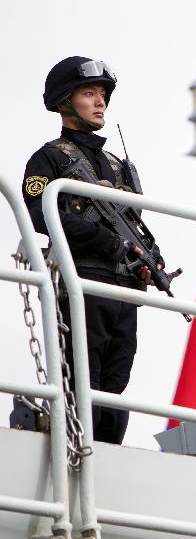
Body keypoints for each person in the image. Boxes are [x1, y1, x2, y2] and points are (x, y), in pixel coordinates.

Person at [14, 56, 154, 445]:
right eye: (89, 93)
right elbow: (40, 213)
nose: (100, 102)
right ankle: (80, 450)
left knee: (114, 389)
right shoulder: (49, 159)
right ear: (64, 101)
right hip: (82, 281)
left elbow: (135, 223)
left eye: (103, 95)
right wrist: (108, 241)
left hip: (122, 290)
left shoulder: (117, 165)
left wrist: (149, 257)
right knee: (83, 380)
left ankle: (106, 457)